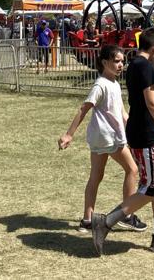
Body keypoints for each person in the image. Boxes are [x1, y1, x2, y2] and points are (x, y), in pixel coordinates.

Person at [91, 26, 154, 255]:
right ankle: (105, 222)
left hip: (141, 132)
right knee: (152, 187)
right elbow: (152, 105)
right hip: (147, 135)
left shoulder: (137, 65)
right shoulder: (145, 67)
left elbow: (147, 99)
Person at [58, 45, 147, 234]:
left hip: (102, 138)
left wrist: (135, 129)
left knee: (96, 177)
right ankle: (127, 216)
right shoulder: (101, 84)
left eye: (122, 61)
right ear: (105, 62)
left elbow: (122, 113)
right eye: (116, 61)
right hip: (108, 138)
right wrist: (69, 134)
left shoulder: (114, 83)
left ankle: (87, 220)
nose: (120, 64)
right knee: (132, 169)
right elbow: (84, 108)